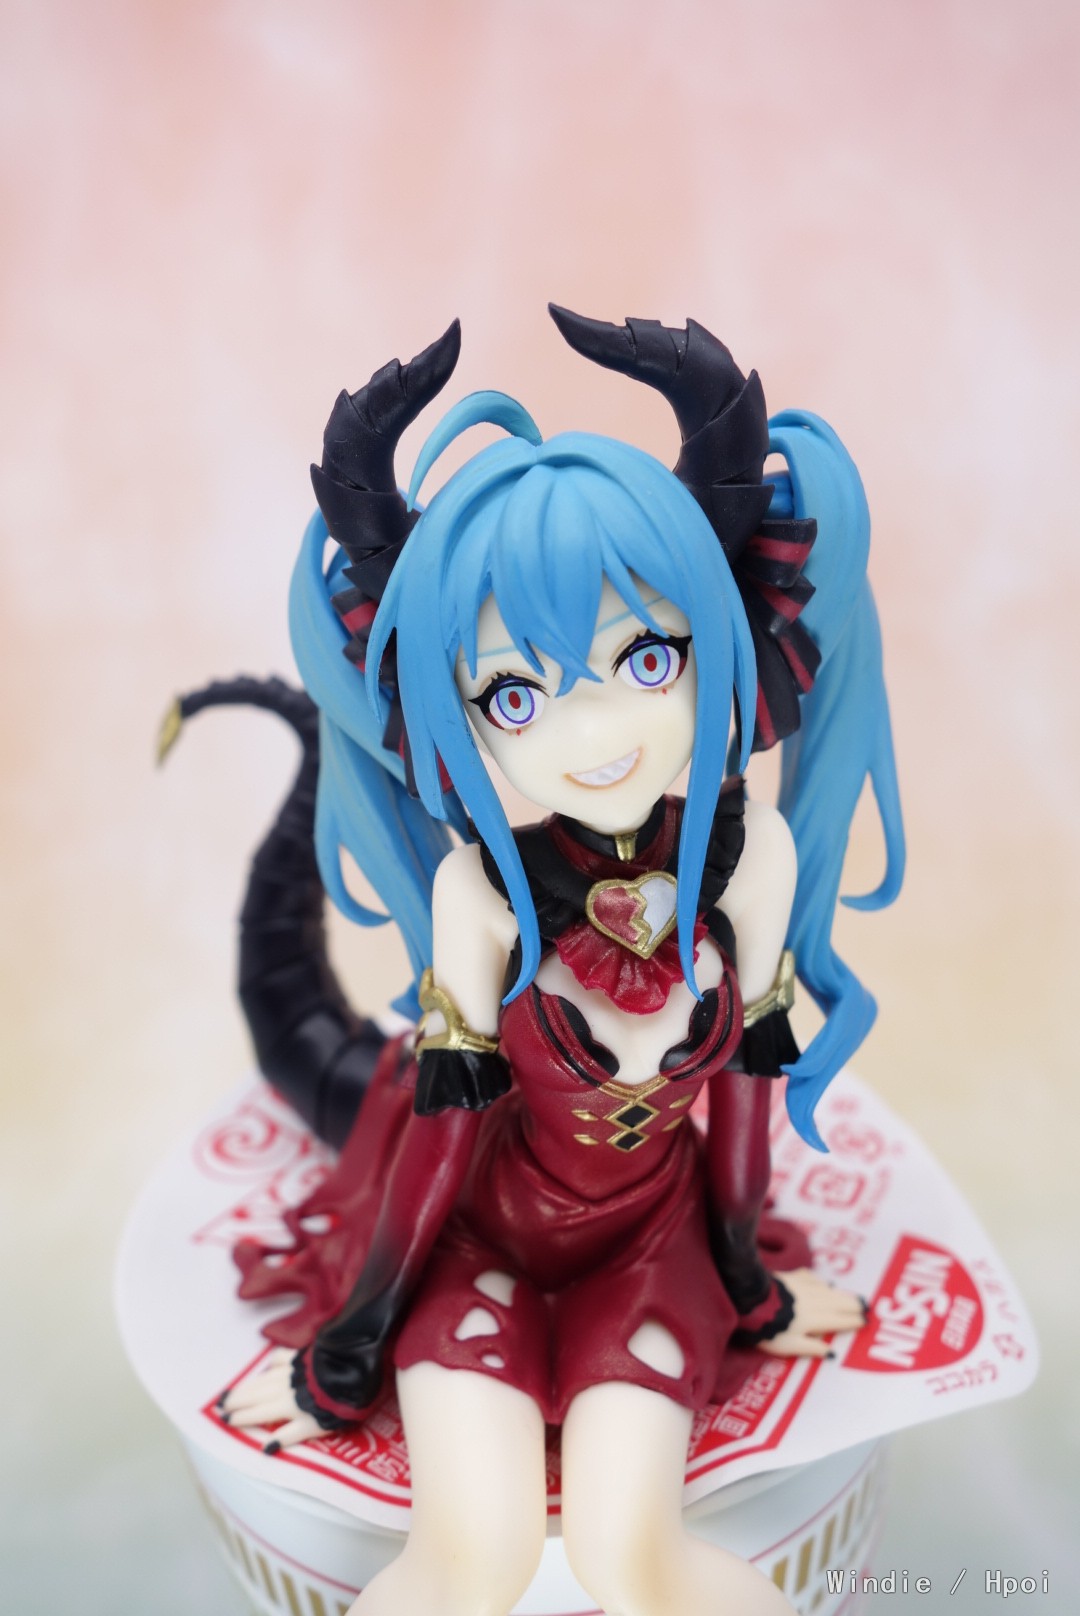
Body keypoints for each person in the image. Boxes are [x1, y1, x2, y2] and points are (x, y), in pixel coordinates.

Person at [222, 308, 903, 1616]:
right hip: (479, 1239)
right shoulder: (481, 896)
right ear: (450, 715)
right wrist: (348, 1348)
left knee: (631, 1555)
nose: (596, 737)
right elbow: (442, 1138)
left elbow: (745, 1090)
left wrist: (749, 1277)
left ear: (727, 640)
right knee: (467, 1559)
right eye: (514, 697)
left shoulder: (747, 866)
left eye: (647, 659)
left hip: (650, 1245)